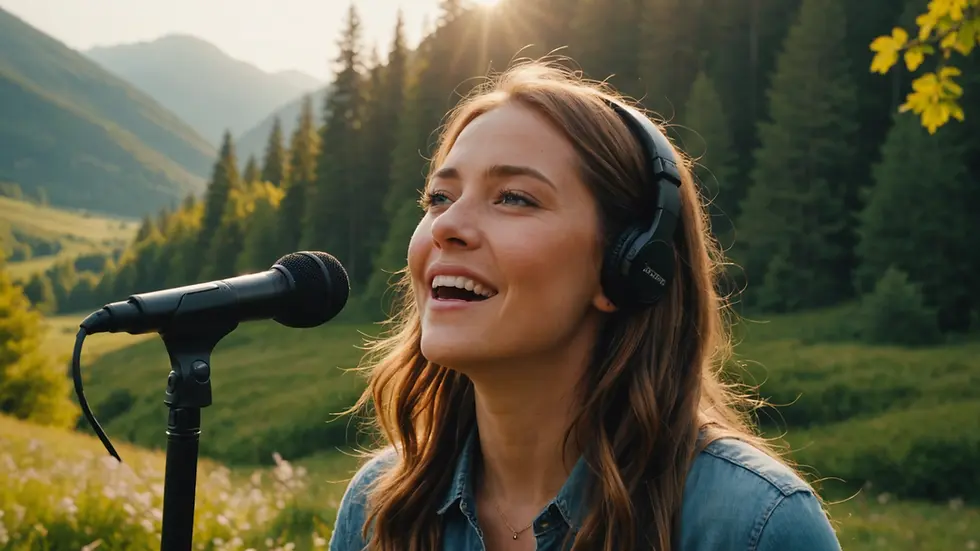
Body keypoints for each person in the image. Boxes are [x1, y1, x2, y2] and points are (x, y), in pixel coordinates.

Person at [329, 59, 843, 551]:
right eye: (440, 198)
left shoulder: (753, 526)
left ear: (629, 264)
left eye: (514, 197)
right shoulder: (381, 506)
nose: (445, 227)